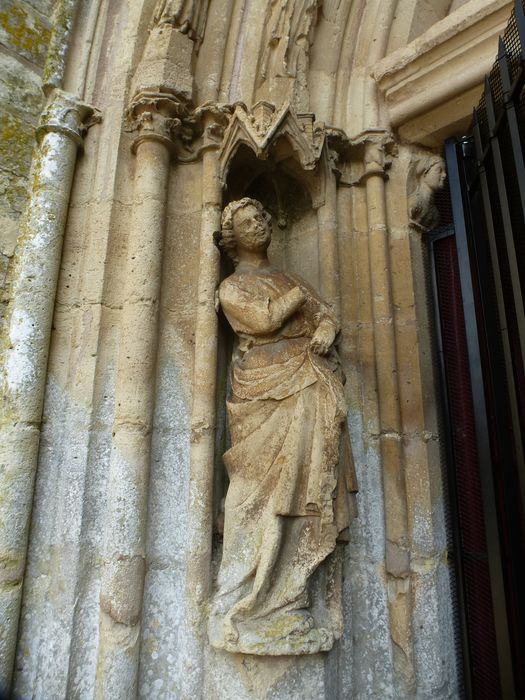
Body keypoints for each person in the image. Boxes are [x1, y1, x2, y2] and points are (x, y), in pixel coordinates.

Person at [208, 198, 357, 655]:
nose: (260, 224)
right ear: (232, 237)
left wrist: (326, 328)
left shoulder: (291, 279)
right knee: (253, 492)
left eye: (262, 217)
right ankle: (240, 596)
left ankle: (289, 596)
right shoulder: (233, 287)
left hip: (307, 384)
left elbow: (327, 315)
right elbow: (264, 319)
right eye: (248, 221)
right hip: (262, 391)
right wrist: (300, 299)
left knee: (304, 488)